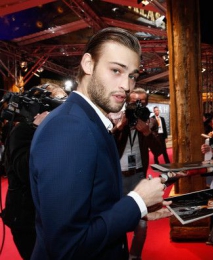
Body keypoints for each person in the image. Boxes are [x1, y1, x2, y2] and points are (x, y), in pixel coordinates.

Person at [28, 27, 172, 260]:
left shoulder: (87, 120)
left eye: (132, 75)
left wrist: (136, 209)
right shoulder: (70, 128)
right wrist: (136, 202)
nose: (127, 85)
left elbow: (93, 210)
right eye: (116, 70)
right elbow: (67, 246)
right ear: (88, 64)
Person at [0, 83, 67, 260]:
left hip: (47, 216)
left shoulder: (57, 132)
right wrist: (39, 130)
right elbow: (25, 171)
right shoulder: (23, 131)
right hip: (26, 219)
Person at [109, 87, 162, 260]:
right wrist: (119, 127)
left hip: (139, 177)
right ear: (126, 102)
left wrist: (146, 132)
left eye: (142, 103)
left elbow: (159, 149)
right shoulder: (116, 118)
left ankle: (134, 256)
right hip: (119, 178)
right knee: (118, 220)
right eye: (134, 102)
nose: (138, 106)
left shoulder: (150, 122)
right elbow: (106, 145)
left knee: (142, 223)